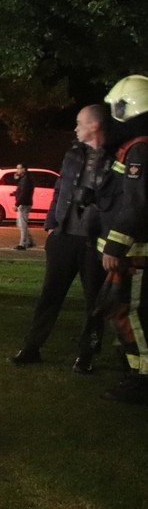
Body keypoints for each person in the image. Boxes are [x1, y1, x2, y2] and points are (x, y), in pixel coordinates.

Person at [11, 105, 119, 371]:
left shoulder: (117, 157)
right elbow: (60, 189)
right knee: (50, 295)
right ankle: (32, 346)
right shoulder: (73, 154)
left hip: (96, 242)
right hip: (64, 237)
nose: (75, 128)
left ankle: (87, 355)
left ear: (94, 126)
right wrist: (51, 225)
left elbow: (121, 201)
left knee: (95, 302)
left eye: (79, 123)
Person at [96, 75, 148, 404]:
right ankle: (134, 373)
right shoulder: (137, 146)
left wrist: (115, 247)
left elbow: (136, 204)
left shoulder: (140, 149)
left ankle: (142, 380)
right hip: (131, 250)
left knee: (133, 316)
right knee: (123, 314)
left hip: (135, 252)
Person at [13, 163, 35, 250]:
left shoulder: (26, 179)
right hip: (24, 203)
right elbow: (20, 189)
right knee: (20, 223)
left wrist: (17, 204)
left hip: (24, 204)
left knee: (22, 224)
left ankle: (22, 244)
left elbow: (24, 193)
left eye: (19, 168)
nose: (17, 170)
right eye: (17, 168)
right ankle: (29, 241)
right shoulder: (24, 178)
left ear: (24, 169)